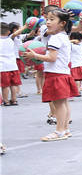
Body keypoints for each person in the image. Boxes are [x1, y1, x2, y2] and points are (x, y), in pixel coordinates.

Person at [25, 8, 78, 140]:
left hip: (56, 74)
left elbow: (51, 58)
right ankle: (65, 129)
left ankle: (59, 131)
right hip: (63, 73)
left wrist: (34, 55)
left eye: (52, 19)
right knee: (64, 103)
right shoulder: (64, 37)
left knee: (58, 104)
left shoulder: (55, 39)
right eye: (47, 19)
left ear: (62, 23)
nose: (48, 22)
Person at [0, 23, 21, 106]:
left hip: (3, 67)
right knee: (14, 84)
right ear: (9, 31)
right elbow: (15, 34)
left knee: (5, 85)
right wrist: (26, 26)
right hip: (13, 65)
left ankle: (6, 101)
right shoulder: (10, 39)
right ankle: (14, 99)